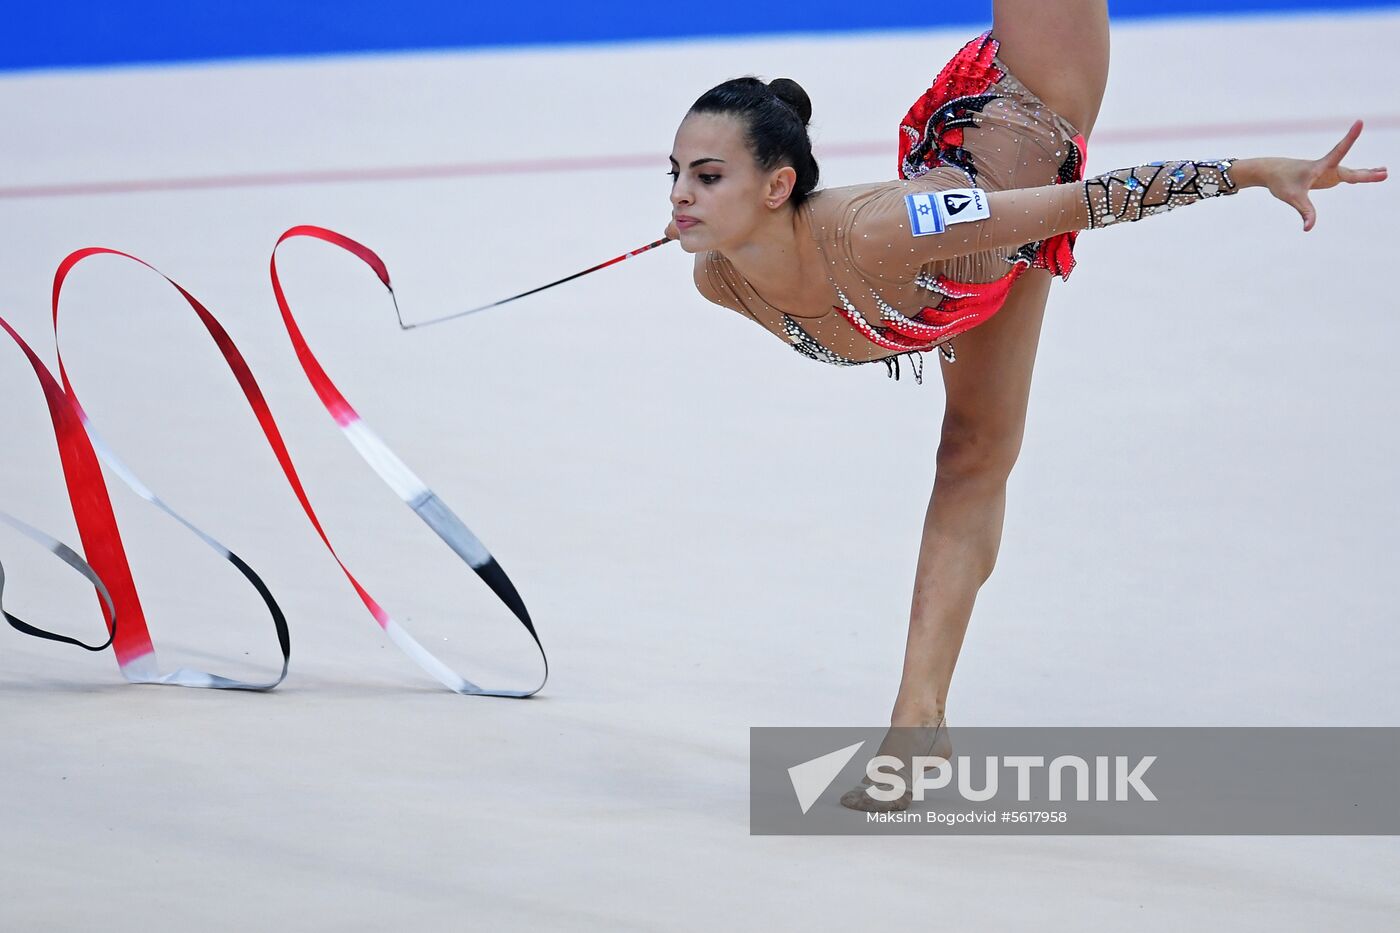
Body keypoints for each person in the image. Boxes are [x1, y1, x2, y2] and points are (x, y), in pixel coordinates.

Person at [663, 0, 1388, 813]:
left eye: (708, 175)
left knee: (977, 441)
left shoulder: (884, 231)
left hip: (1029, 103)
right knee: (971, 454)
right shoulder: (722, 282)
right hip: (976, 238)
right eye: (678, 174)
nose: (681, 195)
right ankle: (920, 722)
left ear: (779, 185)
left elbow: (1089, 203)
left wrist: (1250, 171)